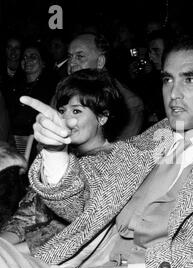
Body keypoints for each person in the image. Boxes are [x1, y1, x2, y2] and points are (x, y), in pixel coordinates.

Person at [0, 35, 193, 268]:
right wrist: (56, 152)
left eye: (189, 79)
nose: (174, 93)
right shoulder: (146, 145)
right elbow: (77, 205)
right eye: (167, 79)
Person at [0, 69, 123, 251]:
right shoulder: (58, 158)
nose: (66, 119)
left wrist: (11, 253)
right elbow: (29, 214)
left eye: (76, 111)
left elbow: (77, 232)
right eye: (62, 111)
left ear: (102, 117)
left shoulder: (118, 163)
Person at [67, 32, 145, 138]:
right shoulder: (65, 91)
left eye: (80, 57)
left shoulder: (125, 102)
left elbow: (119, 151)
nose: (71, 63)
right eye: (70, 57)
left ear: (100, 62)